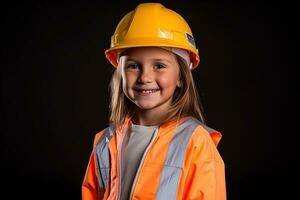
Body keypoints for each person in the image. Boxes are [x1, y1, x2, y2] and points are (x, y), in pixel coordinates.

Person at [82, 3, 226, 200]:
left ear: (181, 77)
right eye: (133, 66)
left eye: (159, 65)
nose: (144, 77)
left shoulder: (195, 142)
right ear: (120, 73)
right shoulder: (105, 142)